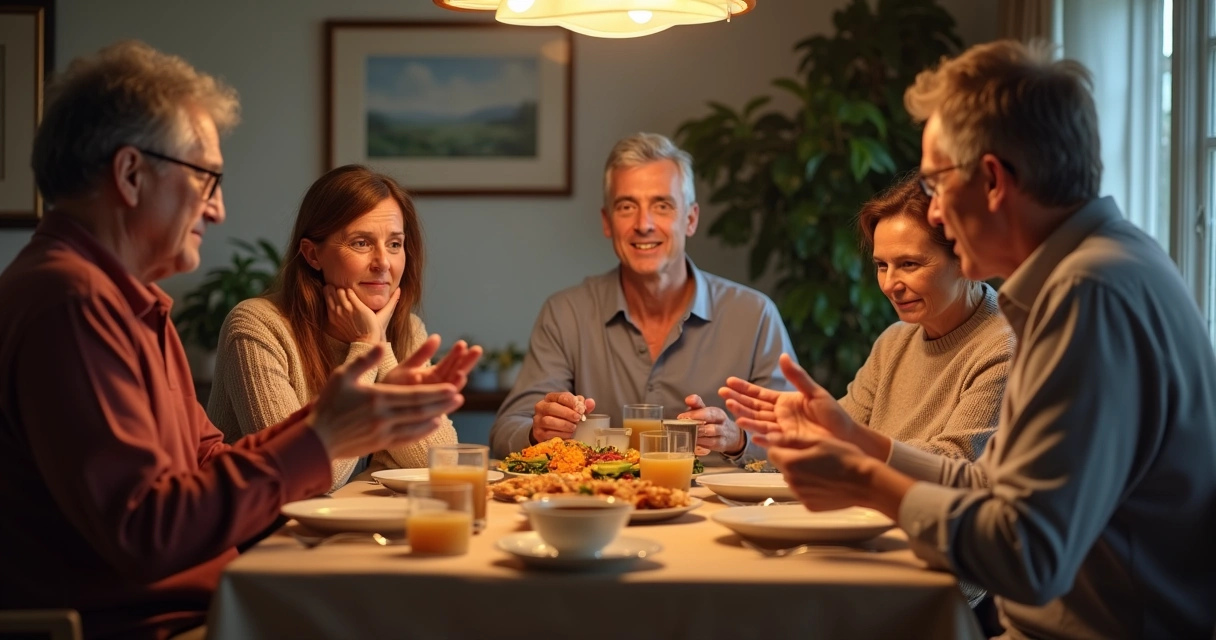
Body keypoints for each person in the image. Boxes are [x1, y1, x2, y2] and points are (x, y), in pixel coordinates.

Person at [720, 40, 1216, 638]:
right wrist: (857, 441)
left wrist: (863, 481)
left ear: (991, 180)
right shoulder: (1105, 265)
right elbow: (991, 489)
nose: (932, 215)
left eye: (935, 183)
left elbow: (1026, 556)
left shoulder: (1088, 296)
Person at [0, 41, 477, 640]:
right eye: (205, 180)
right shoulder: (73, 303)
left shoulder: (127, 302)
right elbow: (148, 532)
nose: (218, 209)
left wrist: (345, 421)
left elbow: (210, 462)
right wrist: (326, 434)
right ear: (129, 174)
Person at [489, 132, 795, 465]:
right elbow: (506, 431)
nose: (643, 224)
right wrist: (540, 432)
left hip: (723, 514)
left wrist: (738, 440)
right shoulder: (566, 314)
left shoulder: (754, 315)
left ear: (690, 219)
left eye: (662, 206)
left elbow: (797, 439)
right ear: (608, 222)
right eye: (626, 207)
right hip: (600, 510)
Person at [208, 165, 473, 492]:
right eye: (361, 243)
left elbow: (439, 461)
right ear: (312, 254)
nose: (383, 263)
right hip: (267, 536)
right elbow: (307, 480)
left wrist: (382, 350)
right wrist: (366, 346)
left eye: (394, 244)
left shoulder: (406, 328)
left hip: (353, 525)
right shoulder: (255, 326)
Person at [845, 175, 1013, 460]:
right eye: (882, 265)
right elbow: (837, 430)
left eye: (909, 264)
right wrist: (746, 438)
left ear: (965, 259)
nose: (889, 285)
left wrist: (843, 442)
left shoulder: (1004, 347)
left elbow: (955, 458)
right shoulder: (894, 341)